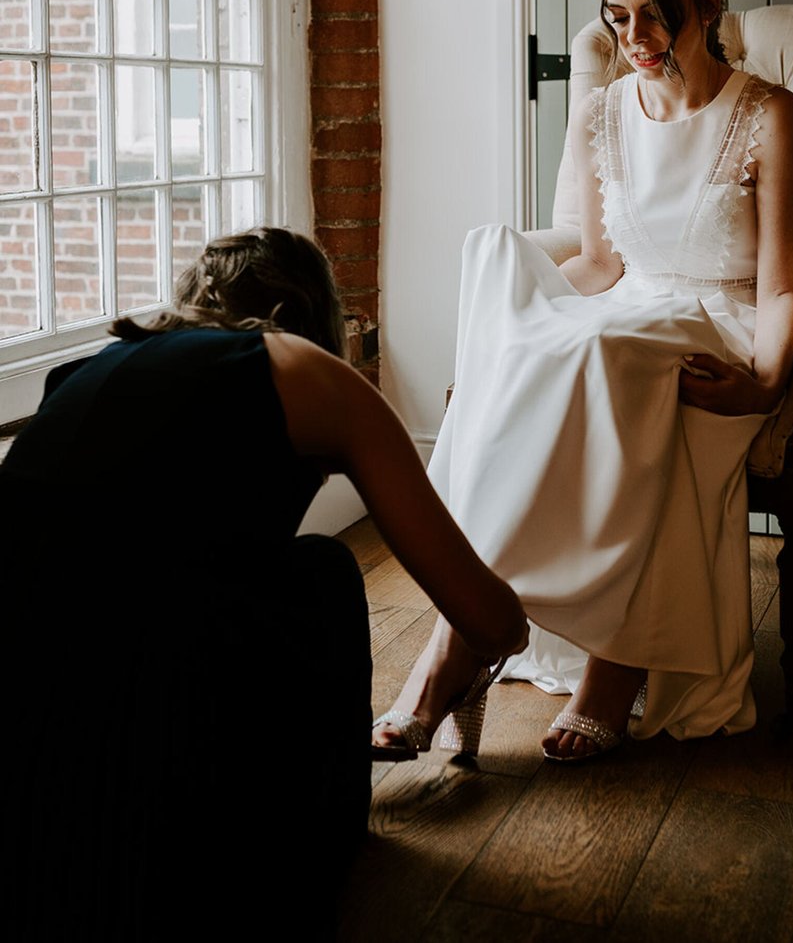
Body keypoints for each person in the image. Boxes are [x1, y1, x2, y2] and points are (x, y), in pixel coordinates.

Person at [0, 227, 527, 941]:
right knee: (325, 570)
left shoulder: (98, 364)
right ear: (305, 312)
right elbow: (485, 616)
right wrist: (505, 630)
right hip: (149, 718)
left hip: (23, 713)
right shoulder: (300, 365)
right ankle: (301, 827)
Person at [373, 0, 793, 764]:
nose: (635, 39)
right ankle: (455, 652)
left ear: (711, 4)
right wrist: (509, 342)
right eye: (618, 17)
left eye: (655, 15)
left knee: (617, 358)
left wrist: (764, 382)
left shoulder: (771, 117)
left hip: (716, 326)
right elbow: (600, 262)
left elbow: (782, 283)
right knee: (535, 321)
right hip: (628, 311)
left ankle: (603, 668)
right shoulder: (603, 111)